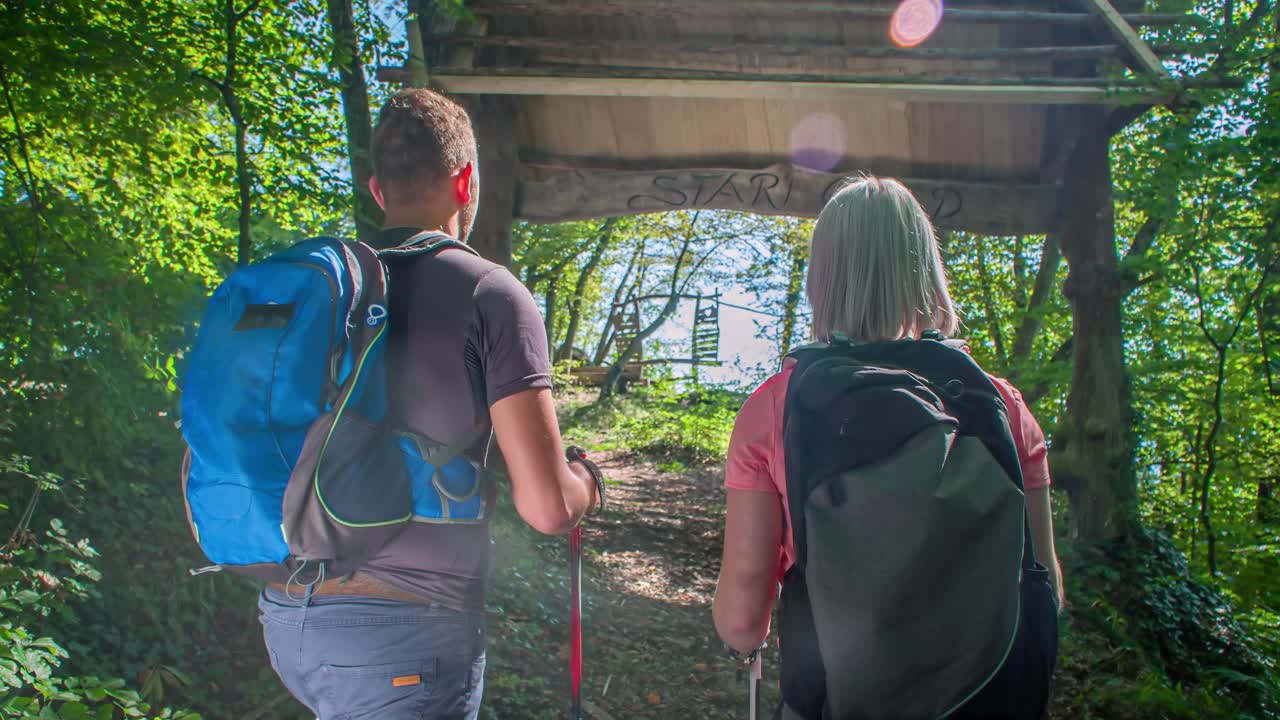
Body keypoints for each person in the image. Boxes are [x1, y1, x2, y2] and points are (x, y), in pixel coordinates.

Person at [256, 88, 601, 720]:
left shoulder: (332, 288)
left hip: (288, 615)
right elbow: (550, 508)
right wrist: (588, 484)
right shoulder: (490, 293)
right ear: (465, 180)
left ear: (377, 189)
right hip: (404, 633)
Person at [712, 176, 1063, 719]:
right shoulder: (1000, 406)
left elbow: (741, 620)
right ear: (926, 267)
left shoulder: (777, 408)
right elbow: (1043, 589)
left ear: (821, 277)